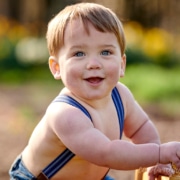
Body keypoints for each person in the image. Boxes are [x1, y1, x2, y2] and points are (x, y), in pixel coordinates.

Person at [9, 2, 180, 180]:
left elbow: (141, 128)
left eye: (105, 52)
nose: (94, 64)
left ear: (122, 65)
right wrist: (159, 152)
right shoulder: (65, 114)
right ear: (56, 67)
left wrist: (155, 161)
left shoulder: (120, 96)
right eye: (79, 54)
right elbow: (107, 154)